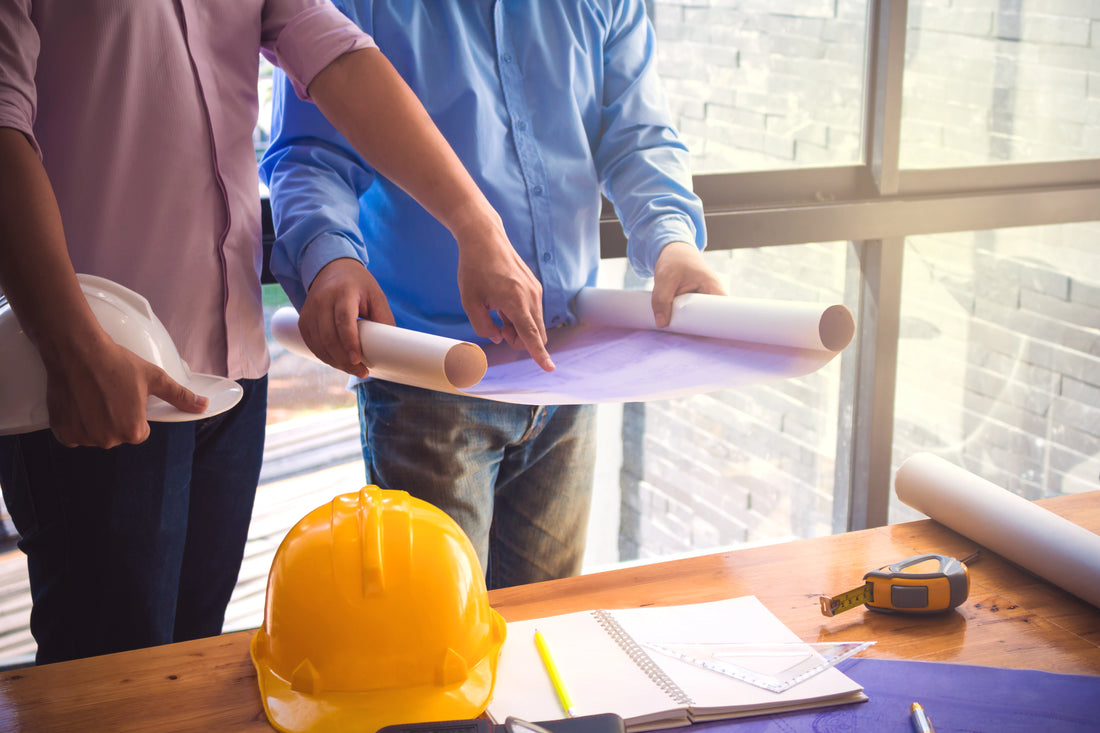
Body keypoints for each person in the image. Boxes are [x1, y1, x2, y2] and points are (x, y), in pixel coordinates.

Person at [0, 0, 545, 664]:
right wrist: (69, 341)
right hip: (100, 368)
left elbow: (336, 55)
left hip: (231, 369)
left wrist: (475, 225)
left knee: (194, 658)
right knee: (107, 674)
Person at [262, 0, 727, 589]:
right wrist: (331, 257)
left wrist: (672, 241)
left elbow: (637, 135)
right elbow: (312, 156)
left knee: (547, 624)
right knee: (437, 635)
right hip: (431, 379)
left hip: (567, 372)